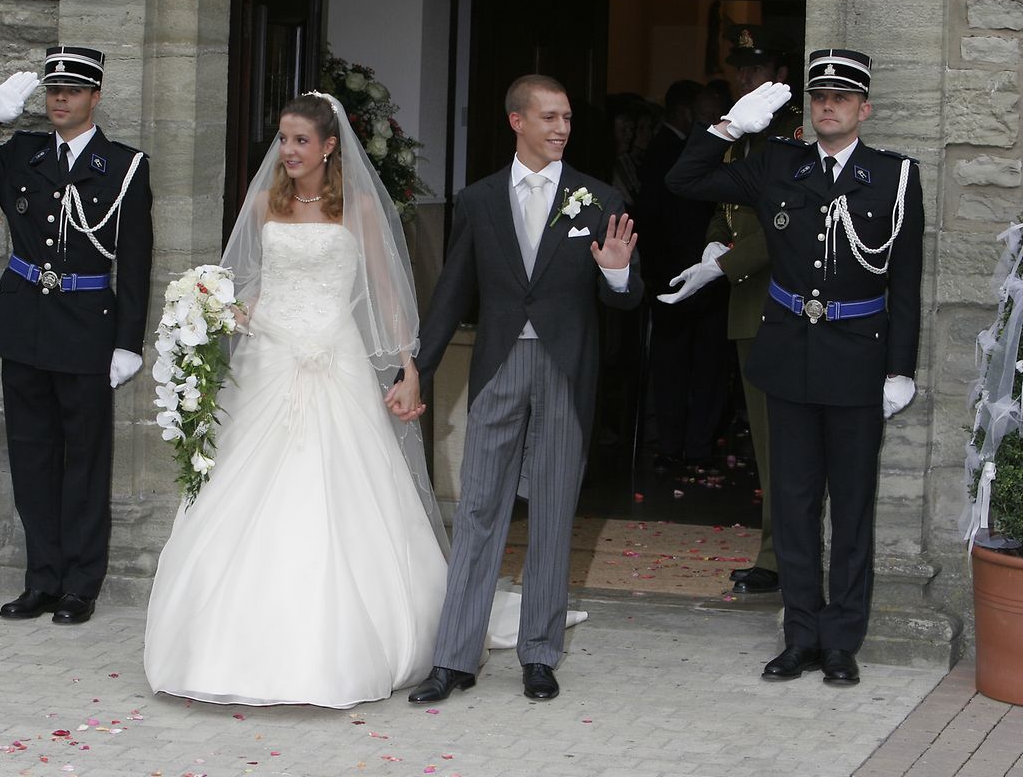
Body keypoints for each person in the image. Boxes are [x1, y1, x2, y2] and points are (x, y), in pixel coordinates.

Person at [142, 93, 451, 709]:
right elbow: (253, 287)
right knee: (241, 485)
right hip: (268, 357)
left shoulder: (358, 207)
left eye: (300, 141)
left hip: (332, 356)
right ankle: (220, 638)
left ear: (330, 146)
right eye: (282, 140)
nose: (287, 152)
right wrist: (209, 310)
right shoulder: (264, 203)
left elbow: (387, 295)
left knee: (335, 488)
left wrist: (407, 368)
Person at [666, 50, 923, 685]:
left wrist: (900, 367)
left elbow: (907, 282)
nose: (827, 105)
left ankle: (841, 641)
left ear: (864, 109)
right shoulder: (776, 163)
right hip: (789, 356)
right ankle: (800, 634)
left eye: (841, 96)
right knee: (796, 503)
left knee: (852, 507)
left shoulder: (894, 177)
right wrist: (729, 127)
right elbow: (684, 181)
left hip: (858, 357)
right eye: (818, 96)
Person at [391, 75, 643, 704]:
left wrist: (616, 276)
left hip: (565, 366)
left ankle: (539, 654)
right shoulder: (477, 200)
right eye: (550, 117)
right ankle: (454, 658)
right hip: (498, 364)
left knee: (555, 509)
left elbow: (632, 297)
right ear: (517, 122)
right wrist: (417, 365)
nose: (562, 128)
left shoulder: (600, 196)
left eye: (566, 118)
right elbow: (452, 292)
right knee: (478, 508)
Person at [0, 46, 153, 625]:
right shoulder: (20, 154)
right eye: (54, 90)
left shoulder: (124, 166)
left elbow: (134, 261)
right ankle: (42, 581)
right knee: (31, 460)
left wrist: (129, 340)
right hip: (25, 326)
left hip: (85, 330)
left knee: (84, 463)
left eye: (73, 91)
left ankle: (81, 585)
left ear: (94, 97)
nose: (60, 99)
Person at [657, 25, 804, 594]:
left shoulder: (793, 132)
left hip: (784, 297)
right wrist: (715, 241)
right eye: (740, 67)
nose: (745, 77)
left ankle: (788, 554)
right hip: (749, 303)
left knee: (790, 439)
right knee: (767, 441)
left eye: (757, 67)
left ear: (781, 76)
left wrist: (725, 264)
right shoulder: (745, 132)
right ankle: (774, 553)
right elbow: (720, 199)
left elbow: (788, 224)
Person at [635, 79, 728, 474]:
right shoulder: (669, 152)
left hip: (706, 275)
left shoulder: (709, 152)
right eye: (704, 115)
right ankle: (681, 443)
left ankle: (694, 444)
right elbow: (654, 216)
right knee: (678, 364)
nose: (708, 122)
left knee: (706, 364)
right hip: (675, 274)